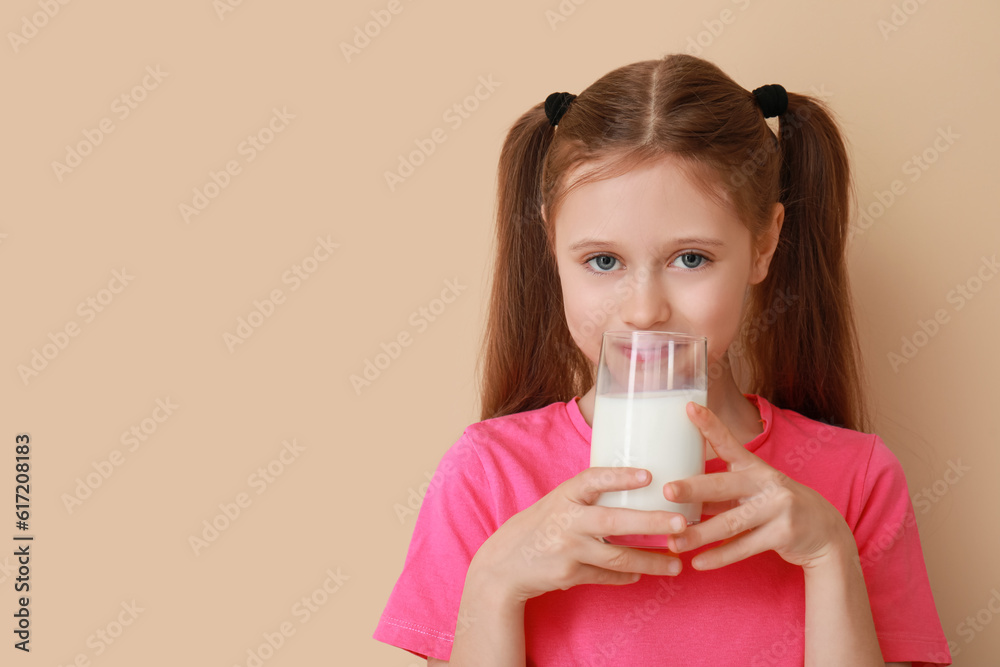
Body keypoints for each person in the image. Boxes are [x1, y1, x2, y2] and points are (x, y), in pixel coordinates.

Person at [372, 53, 951, 666]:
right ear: (550, 245)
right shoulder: (487, 476)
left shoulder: (855, 480)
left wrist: (828, 553)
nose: (644, 310)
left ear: (764, 244)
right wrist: (494, 584)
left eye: (691, 259)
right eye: (603, 261)